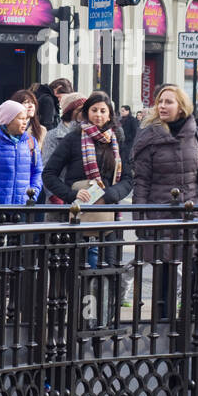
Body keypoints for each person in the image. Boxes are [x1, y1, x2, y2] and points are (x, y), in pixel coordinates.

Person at [131, 83, 198, 319]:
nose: (162, 106)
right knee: (163, 274)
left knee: (195, 271)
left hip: (192, 215)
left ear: (181, 106)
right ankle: (162, 325)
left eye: (168, 101)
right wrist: (140, 220)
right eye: (159, 101)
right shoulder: (149, 136)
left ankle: (192, 321)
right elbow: (141, 182)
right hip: (160, 215)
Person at [43, 90, 133, 271]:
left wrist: (111, 195)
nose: (98, 115)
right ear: (86, 113)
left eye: (102, 111)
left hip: (108, 215)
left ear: (109, 115)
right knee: (77, 270)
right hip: (78, 214)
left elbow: (128, 178)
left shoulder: (116, 140)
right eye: (94, 110)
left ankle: (104, 300)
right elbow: (49, 174)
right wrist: (72, 195)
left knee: (107, 269)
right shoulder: (73, 138)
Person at [43, 92, 85, 166]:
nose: (85, 113)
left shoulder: (88, 131)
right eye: (80, 110)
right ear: (70, 111)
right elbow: (47, 166)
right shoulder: (53, 135)